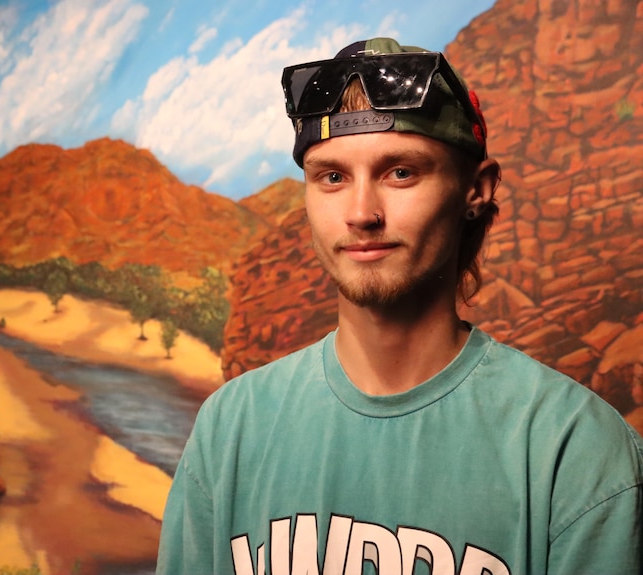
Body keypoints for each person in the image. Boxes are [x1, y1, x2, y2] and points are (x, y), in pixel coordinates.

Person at [156, 37, 643, 575]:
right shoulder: (230, 428)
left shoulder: (576, 451)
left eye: (401, 172)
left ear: (475, 191)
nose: (361, 213)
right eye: (333, 177)